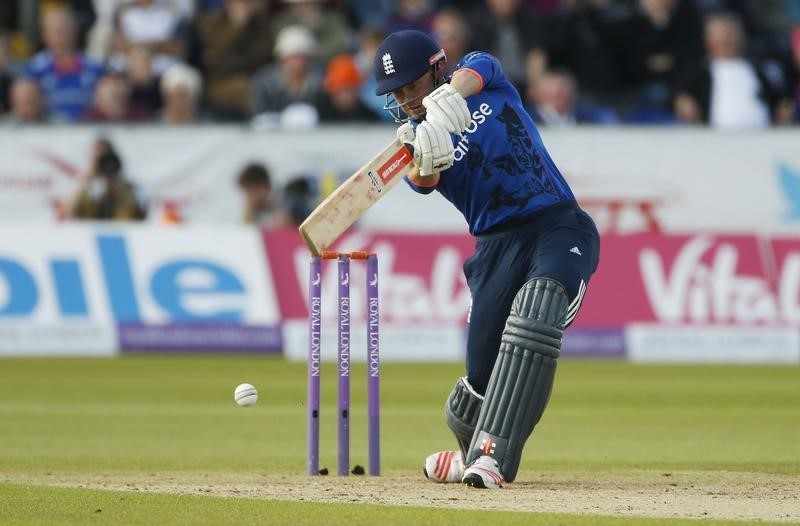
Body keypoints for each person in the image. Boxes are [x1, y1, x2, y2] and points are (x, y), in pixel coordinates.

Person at [373, 30, 600, 489]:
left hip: (556, 225)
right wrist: (424, 152)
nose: (407, 101)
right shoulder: (415, 139)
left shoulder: (482, 78)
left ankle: (493, 458)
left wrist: (447, 100)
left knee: (538, 312)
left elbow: (481, 70)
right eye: (397, 94)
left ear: (438, 68)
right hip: (495, 250)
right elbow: (422, 180)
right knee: (477, 382)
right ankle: (468, 452)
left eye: (412, 87)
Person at [67, 138, 148, 221]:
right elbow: (68, 215)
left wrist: (116, 184)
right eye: (98, 158)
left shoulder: (131, 188)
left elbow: (139, 216)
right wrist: (87, 179)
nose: (104, 164)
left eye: (106, 156)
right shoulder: (84, 187)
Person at [236, 162, 290, 227]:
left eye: (252, 192)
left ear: (266, 187)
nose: (249, 198)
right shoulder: (255, 213)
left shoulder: (286, 200)